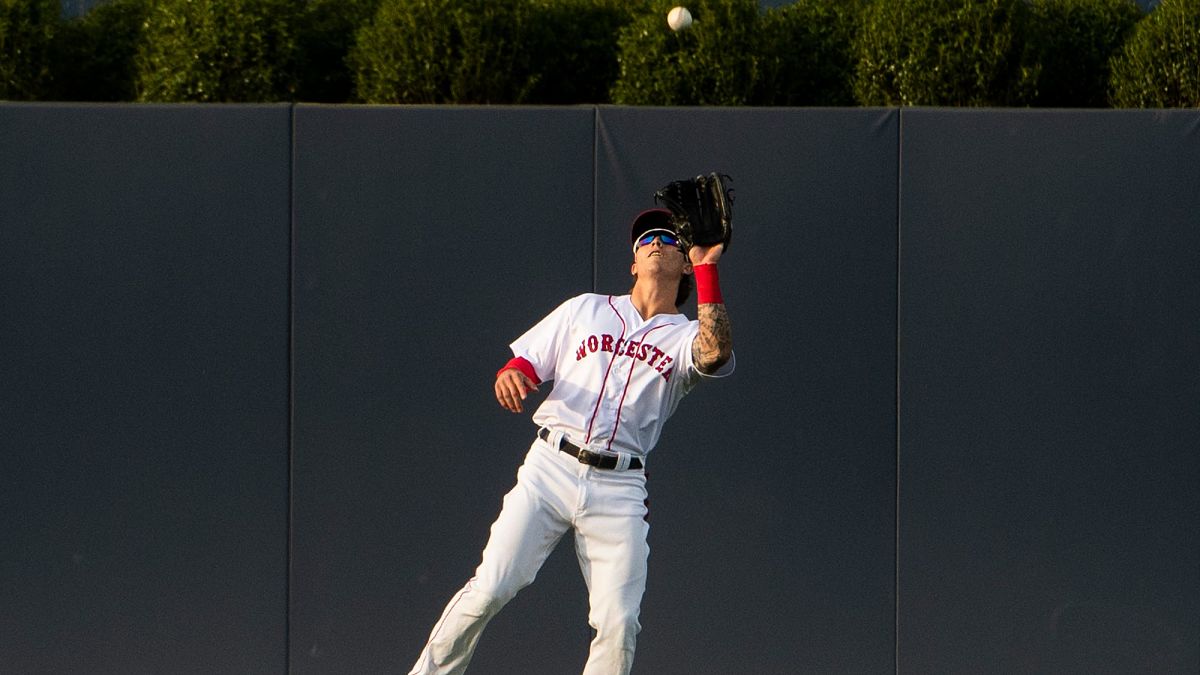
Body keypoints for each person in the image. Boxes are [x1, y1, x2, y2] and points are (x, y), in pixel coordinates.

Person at [407, 207, 735, 675]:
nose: (655, 241)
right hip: (551, 466)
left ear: (685, 263)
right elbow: (525, 363)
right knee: (492, 585)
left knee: (619, 623)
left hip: (620, 488)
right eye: (645, 238)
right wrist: (511, 374)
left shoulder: (684, 337)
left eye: (668, 237)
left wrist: (707, 268)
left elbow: (715, 350)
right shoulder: (586, 308)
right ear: (632, 263)